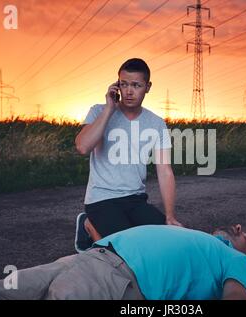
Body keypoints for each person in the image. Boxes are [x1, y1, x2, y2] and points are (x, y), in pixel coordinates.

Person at [0, 224, 246, 300]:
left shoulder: (236, 258)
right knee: (1, 290)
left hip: (118, 275)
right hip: (91, 256)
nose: (238, 228)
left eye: (244, 234)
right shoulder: (196, 238)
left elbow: (236, 296)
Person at [74, 58, 182, 252]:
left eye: (136, 85)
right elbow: (83, 147)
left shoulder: (156, 123)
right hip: (102, 199)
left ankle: (100, 229)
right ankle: (90, 226)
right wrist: (109, 108)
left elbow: (164, 170)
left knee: (166, 243)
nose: (129, 91)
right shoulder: (99, 111)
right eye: (124, 84)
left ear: (147, 87)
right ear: (117, 85)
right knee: (128, 251)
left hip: (135, 199)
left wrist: (169, 216)